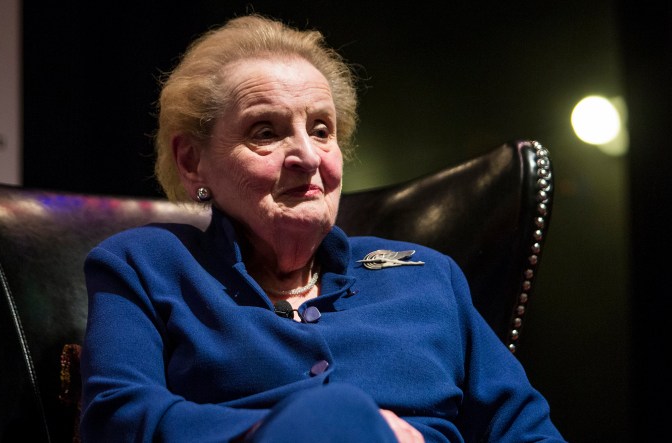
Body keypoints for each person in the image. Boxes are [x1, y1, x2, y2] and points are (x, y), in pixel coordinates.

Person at [79, 14, 566, 443]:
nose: (308, 157)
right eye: (265, 132)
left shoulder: (429, 276)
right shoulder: (143, 265)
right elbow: (117, 419)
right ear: (192, 161)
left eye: (320, 129)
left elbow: (525, 429)